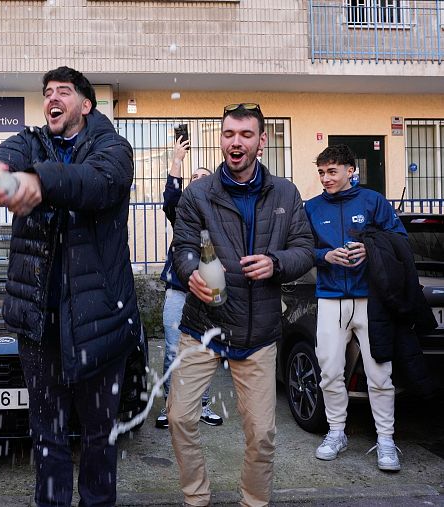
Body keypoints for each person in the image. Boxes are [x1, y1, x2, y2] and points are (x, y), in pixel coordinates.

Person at [0, 66, 141, 506]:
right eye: (48, 92)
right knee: (47, 439)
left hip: (99, 324)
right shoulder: (28, 142)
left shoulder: (113, 147)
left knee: (100, 439)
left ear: (85, 105)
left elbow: (99, 183)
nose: (53, 98)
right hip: (39, 325)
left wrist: (41, 181)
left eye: (63, 91)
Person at [169, 103, 314, 507]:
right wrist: (190, 271)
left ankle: (253, 501)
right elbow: (182, 248)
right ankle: (196, 498)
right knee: (180, 417)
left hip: (259, 333)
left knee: (262, 433)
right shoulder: (199, 193)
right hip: (203, 326)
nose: (236, 143)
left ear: (261, 141)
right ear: (221, 139)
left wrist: (276, 263)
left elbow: (305, 249)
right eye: (229, 134)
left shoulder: (286, 193)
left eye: (246, 135)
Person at [304, 144, 406, 471]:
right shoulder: (313, 208)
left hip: (370, 298)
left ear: (350, 170)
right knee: (330, 372)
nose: (325, 178)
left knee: (379, 374)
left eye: (332, 171)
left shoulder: (373, 201)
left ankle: (386, 440)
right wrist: (324, 256)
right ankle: (336, 432)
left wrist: (369, 248)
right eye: (321, 172)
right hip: (330, 297)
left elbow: (400, 239)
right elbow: (302, 248)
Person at [155, 135, 222, 429]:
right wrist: (178, 161)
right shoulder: (182, 212)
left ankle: (202, 404)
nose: (196, 180)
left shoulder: (221, 214)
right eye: (193, 177)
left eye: (202, 177)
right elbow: (170, 199)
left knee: (204, 349)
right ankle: (171, 406)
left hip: (208, 293)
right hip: (178, 292)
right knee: (172, 349)